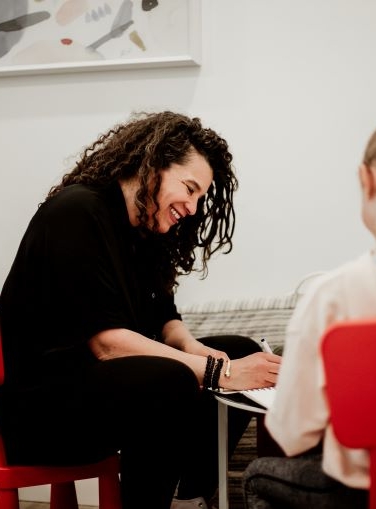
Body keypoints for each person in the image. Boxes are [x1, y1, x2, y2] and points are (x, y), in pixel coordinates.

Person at [0, 111, 281, 509]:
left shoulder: (145, 230)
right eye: (189, 188)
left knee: (236, 346)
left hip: (108, 389)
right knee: (169, 378)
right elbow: (109, 345)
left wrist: (199, 350)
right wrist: (222, 372)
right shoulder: (77, 211)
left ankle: (191, 498)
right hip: (45, 410)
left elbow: (166, 322)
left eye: (200, 196)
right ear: (153, 165)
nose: (194, 206)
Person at [242, 129, 376, 509]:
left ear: (364, 179)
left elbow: (293, 432)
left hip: (359, 489)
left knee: (257, 475)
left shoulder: (333, 295)